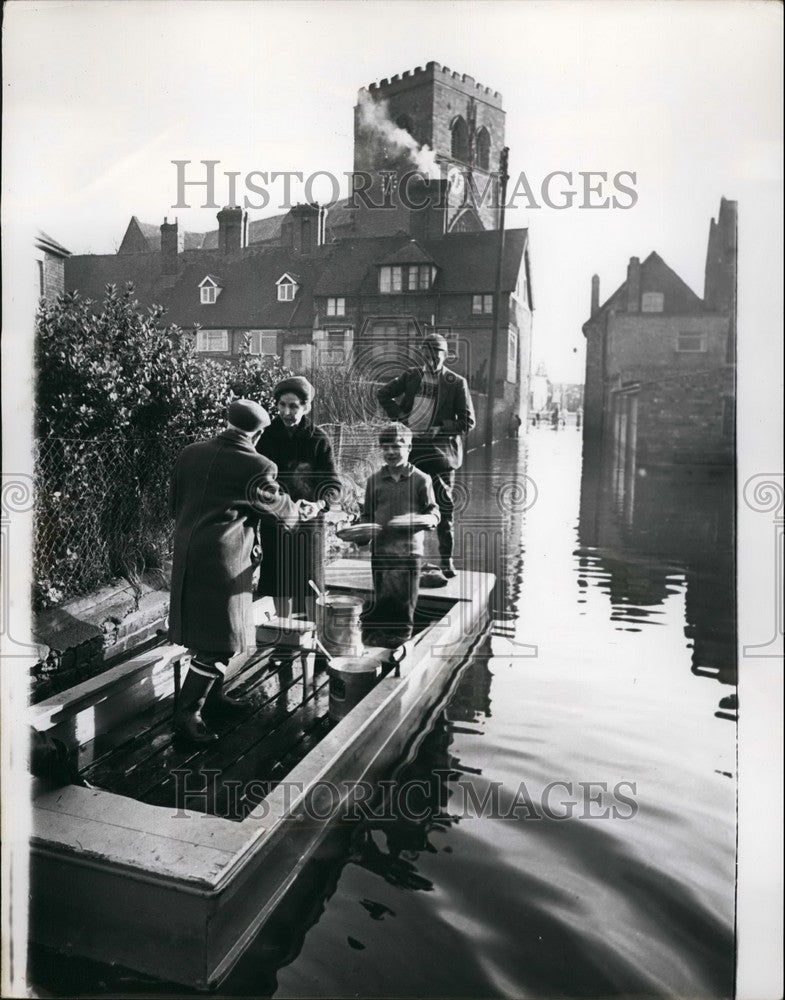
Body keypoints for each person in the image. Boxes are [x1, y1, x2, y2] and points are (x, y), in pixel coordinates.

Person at [168, 398, 311, 746]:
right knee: (219, 642)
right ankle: (187, 714)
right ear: (258, 433)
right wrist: (300, 510)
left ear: (228, 422)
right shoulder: (258, 465)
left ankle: (215, 697)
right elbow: (284, 514)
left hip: (188, 553)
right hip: (224, 562)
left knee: (214, 632)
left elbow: (174, 505)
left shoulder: (191, 452)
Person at [377, 333, 475, 579]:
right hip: (413, 453)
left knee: (444, 506)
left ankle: (446, 561)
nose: (431, 359)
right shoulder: (412, 376)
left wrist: (441, 427)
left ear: (445, 355)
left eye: (437, 354)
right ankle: (405, 559)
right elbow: (383, 394)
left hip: (441, 455)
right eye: (427, 354)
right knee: (406, 505)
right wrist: (401, 418)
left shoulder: (456, 382)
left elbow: (467, 422)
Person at [255, 375, 341, 620]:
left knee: (310, 586)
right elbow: (257, 481)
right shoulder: (266, 437)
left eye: (294, 406)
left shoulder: (318, 439)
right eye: (282, 405)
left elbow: (333, 484)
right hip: (275, 524)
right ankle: (284, 644)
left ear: (307, 407)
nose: (287, 412)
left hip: (308, 525)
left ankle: (311, 643)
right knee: (279, 586)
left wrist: (319, 505)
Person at [357, 423, 439, 647]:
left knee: (404, 603)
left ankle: (401, 644)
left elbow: (433, 512)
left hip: (408, 553)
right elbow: (367, 515)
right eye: (385, 447)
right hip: (381, 550)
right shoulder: (374, 480)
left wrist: (426, 520)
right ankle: (379, 645)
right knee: (382, 599)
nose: (390, 452)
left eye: (397, 446)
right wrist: (360, 532)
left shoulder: (421, 479)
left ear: (409, 447)